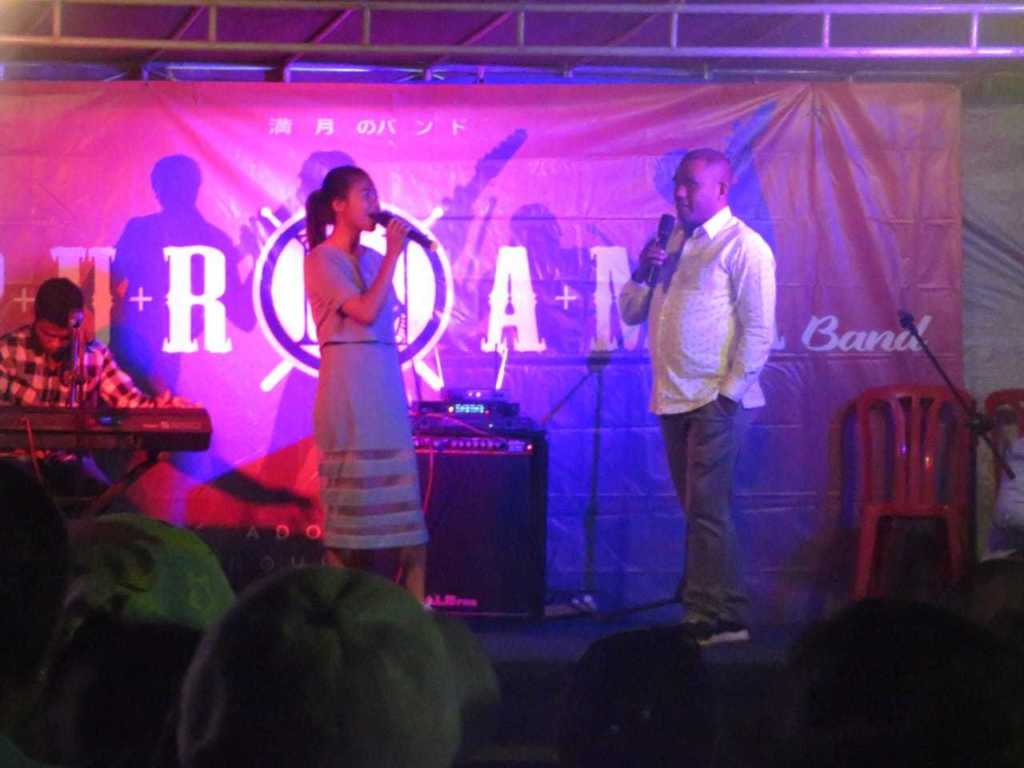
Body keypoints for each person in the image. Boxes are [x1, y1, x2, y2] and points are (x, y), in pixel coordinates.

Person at [620, 148, 776, 646]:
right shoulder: (673, 243)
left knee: (707, 509)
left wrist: (727, 397)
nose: (680, 193)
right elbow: (630, 312)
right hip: (673, 397)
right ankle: (715, 610)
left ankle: (717, 615)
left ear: (722, 189)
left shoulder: (743, 246)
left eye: (691, 184)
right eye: (677, 184)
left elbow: (759, 329)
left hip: (715, 399)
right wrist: (643, 269)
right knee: (699, 511)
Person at [303, 166, 429, 602]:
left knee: (408, 528)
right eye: (365, 194)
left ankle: (416, 617)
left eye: (376, 194)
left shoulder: (373, 258)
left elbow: (383, 316)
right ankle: (339, 615)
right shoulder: (321, 259)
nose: (374, 203)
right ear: (338, 204)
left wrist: (387, 258)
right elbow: (363, 311)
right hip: (348, 389)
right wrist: (393, 254)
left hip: (384, 386)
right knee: (348, 531)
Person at [0, 277, 192, 508]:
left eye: (64, 337)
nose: (55, 344)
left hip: (69, 464)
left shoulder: (95, 356)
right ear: (36, 317)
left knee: (116, 510)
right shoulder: (8, 351)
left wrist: (165, 409)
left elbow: (128, 400)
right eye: (48, 335)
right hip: (15, 464)